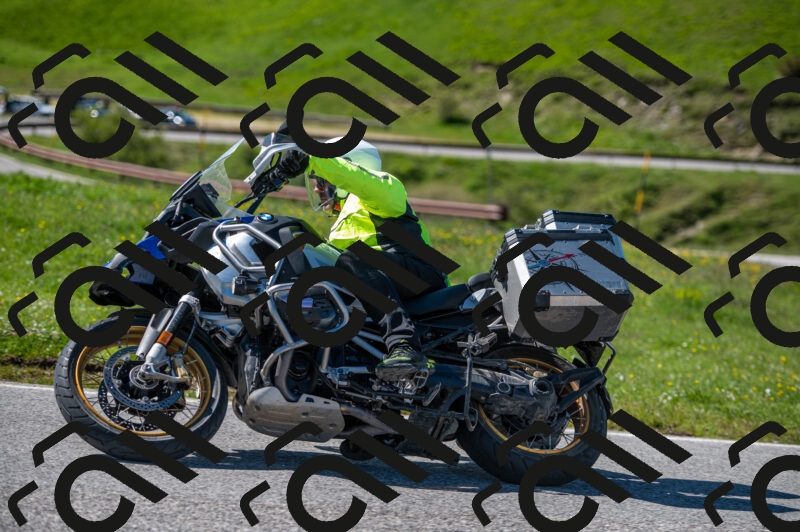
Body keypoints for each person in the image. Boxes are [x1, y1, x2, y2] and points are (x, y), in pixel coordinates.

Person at [251, 128, 447, 381]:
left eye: (322, 182)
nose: (318, 190)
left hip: (423, 275)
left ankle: (403, 344)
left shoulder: (384, 190)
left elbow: (357, 180)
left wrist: (312, 158)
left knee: (350, 260)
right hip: (380, 278)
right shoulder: (344, 223)